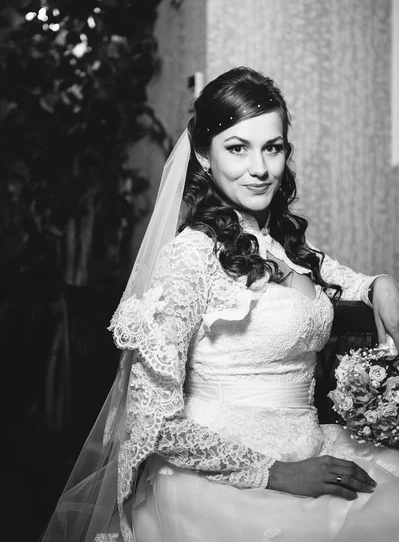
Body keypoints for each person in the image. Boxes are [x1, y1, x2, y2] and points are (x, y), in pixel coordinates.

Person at [41, 67, 399, 542]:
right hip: (223, 474)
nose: (260, 168)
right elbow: (153, 422)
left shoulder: (283, 243)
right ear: (205, 156)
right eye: (237, 148)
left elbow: (350, 281)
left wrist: (382, 283)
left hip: (308, 443)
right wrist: (275, 472)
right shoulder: (190, 255)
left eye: (272, 147)